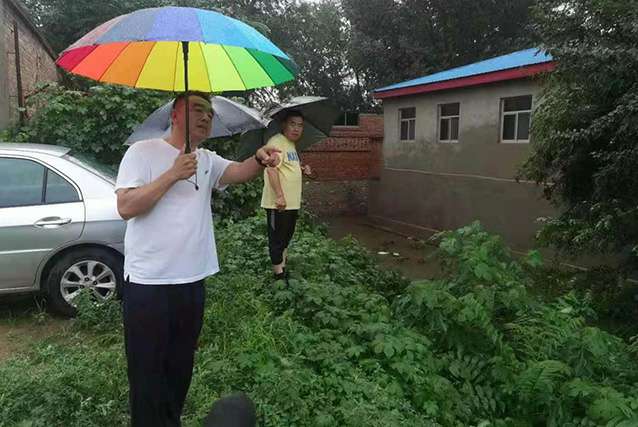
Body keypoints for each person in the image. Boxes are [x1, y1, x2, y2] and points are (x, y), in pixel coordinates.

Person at [115, 91, 279, 427]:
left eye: (209, 112)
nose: (206, 117)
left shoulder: (205, 159)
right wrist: (172, 174)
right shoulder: (142, 152)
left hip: (191, 282)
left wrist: (259, 159)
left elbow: (237, 172)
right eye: (197, 109)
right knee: (147, 372)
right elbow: (126, 207)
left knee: (180, 367)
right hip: (149, 284)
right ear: (175, 115)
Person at [260, 110, 312, 281]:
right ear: (284, 125)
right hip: (279, 204)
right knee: (277, 239)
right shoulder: (277, 142)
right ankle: (278, 276)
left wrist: (302, 169)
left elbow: (287, 168)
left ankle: (282, 268)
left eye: (300, 125)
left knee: (286, 237)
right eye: (292, 124)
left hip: (291, 203)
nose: (296, 128)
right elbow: (272, 170)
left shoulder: (291, 145)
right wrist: (280, 196)